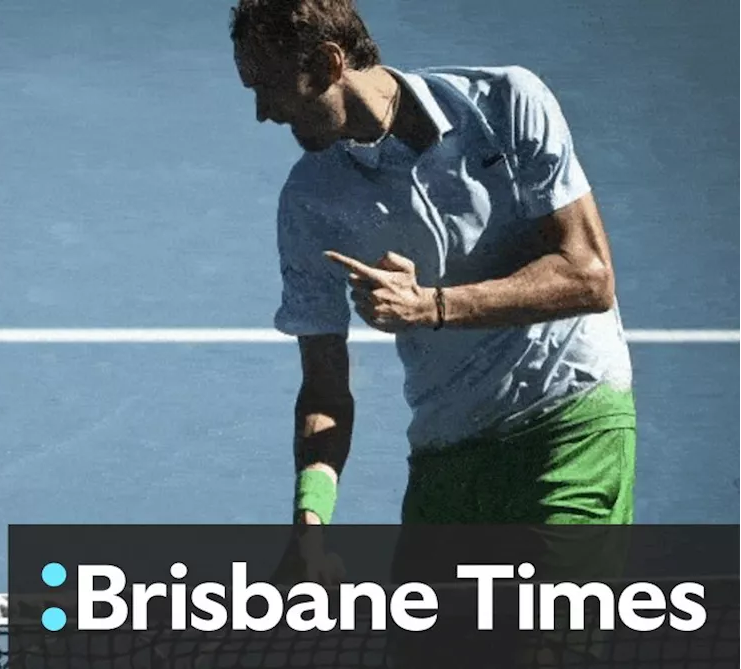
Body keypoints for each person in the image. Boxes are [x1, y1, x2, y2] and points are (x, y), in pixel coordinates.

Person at [229, 1, 638, 663]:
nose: (264, 113)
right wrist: (310, 525)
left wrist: (433, 307)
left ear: (331, 64)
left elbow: (588, 274)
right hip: (448, 454)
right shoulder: (309, 201)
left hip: (569, 429)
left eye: (271, 86)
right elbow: (325, 391)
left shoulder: (506, 103)